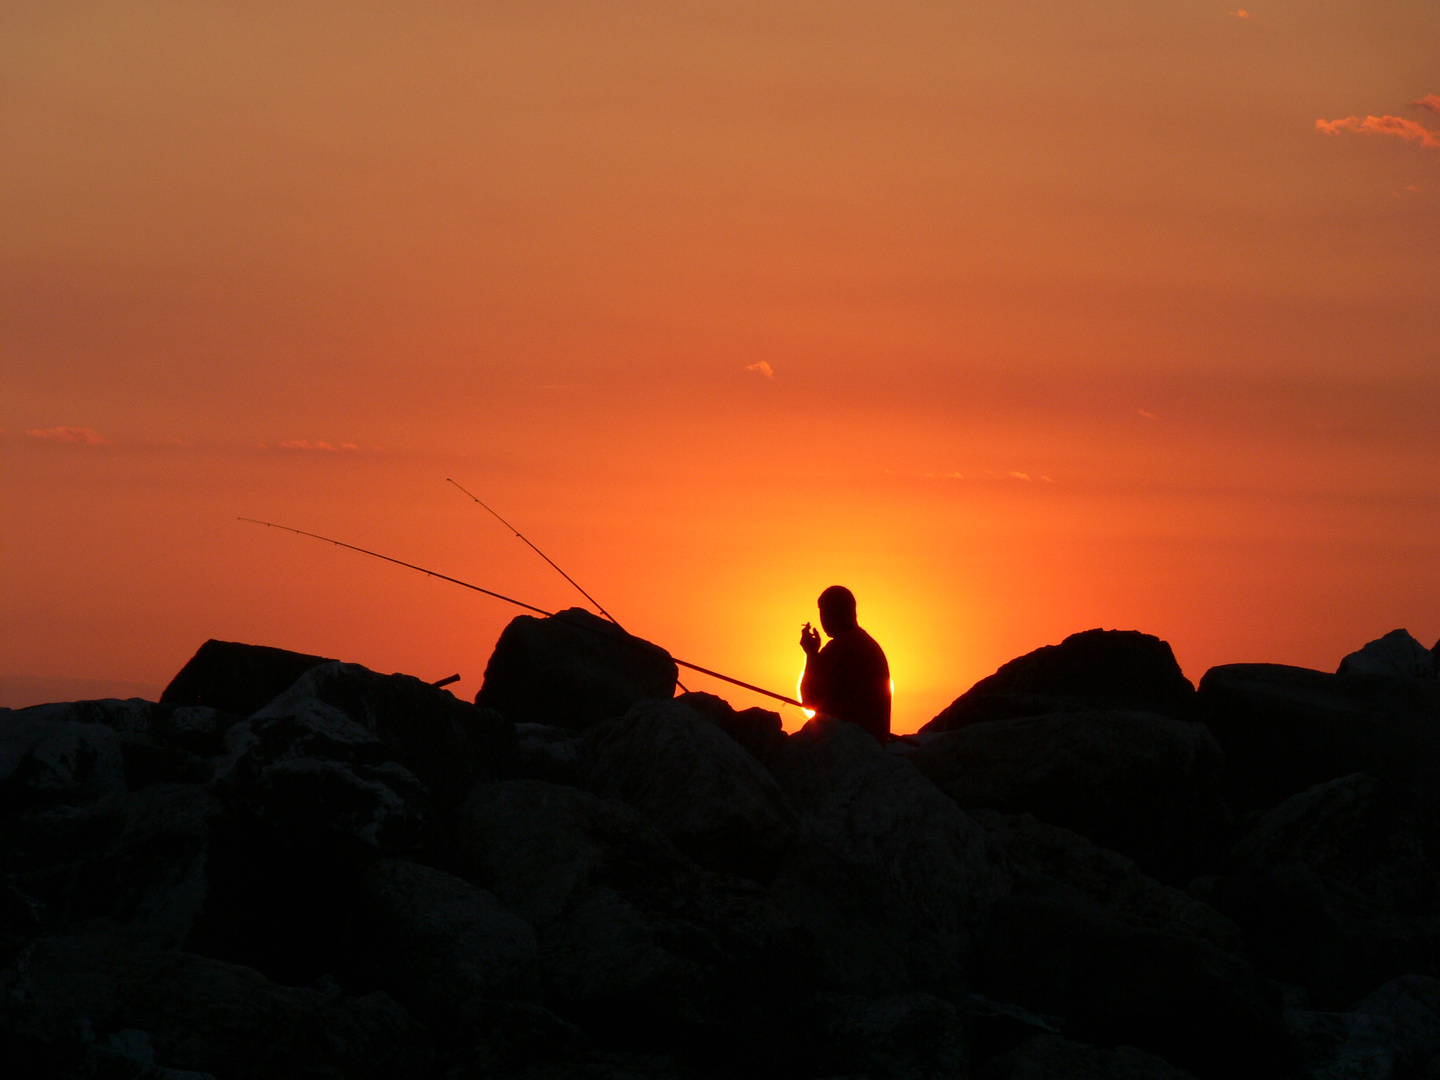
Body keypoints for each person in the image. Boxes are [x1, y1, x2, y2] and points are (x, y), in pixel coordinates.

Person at [799, 585, 891, 742]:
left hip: (848, 744)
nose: (823, 620)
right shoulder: (868, 645)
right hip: (873, 744)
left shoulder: (839, 648)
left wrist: (811, 654)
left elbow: (809, 700)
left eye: (825, 613)